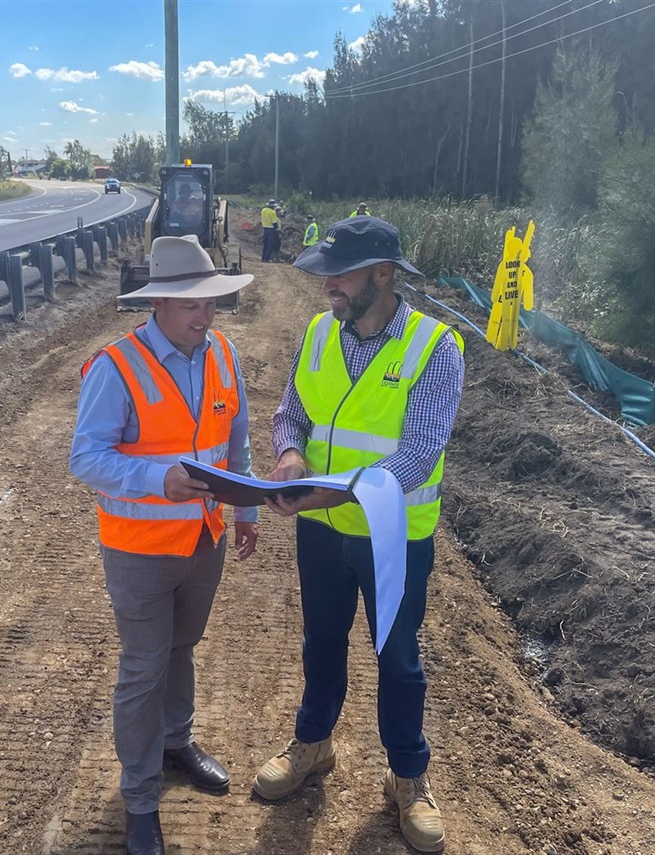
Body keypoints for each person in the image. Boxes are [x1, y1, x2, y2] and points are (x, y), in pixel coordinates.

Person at [252, 215, 465, 853]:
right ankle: (313, 744)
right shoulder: (321, 333)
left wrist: (327, 489)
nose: (327, 289)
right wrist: (290, 455)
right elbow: (294, 409)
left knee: (397, 660)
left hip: (392, 536)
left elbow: (418, 455)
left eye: (338, 276)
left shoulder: (435, 348)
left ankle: (408, 777)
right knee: (321, 642)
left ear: (383, 274)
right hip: (320, 529)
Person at [70, 235, 258, 855]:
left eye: (209, 304)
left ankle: (177, 742)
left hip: (205, 541)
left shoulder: (222, 355)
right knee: (144, 668)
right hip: (139, 548)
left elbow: (236, 443)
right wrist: (159, 478)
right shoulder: (116, 368)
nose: (203, 317)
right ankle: (140, 799)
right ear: (156, 305)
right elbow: (86, 458)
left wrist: (248, 508)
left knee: (183, 646)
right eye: (189, 306)